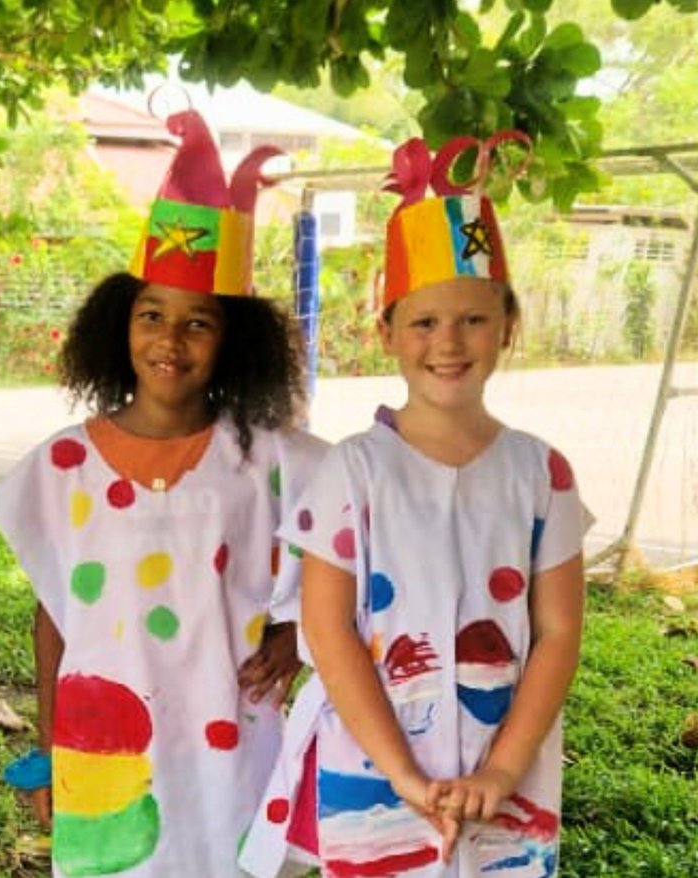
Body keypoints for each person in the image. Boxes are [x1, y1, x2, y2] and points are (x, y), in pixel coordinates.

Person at [0, 109, 328, 878]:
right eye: (151, 316)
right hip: (105, 745)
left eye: (198, 322)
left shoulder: (270, 457)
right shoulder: (65, 465)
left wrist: (298, 634)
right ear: (120, 325)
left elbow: (354, 544)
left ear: (232, 339)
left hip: (232, 734)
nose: (169, 341)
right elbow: (54, 611)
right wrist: (49, 748)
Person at [239, 133, 591, 878]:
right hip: (375, 769)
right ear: (387, 333)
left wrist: (504, 768)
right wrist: (400, 772)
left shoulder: (543, 474)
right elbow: (327, 629)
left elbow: (557, 631)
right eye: (425, 322)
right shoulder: (352, 472)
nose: (449, 342)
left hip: (512, 775)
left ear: (508, 327)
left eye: (473, 319)